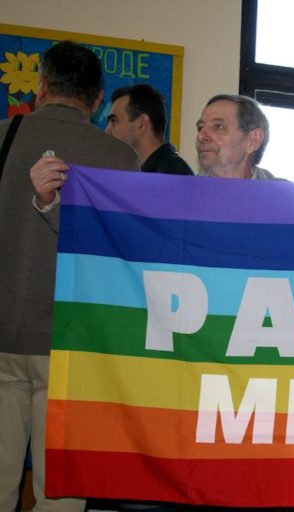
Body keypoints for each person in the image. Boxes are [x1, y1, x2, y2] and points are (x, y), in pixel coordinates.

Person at [0, 40, 140, 512]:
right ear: (97, 100)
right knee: (60, 493)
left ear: (41, 86)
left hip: (3, 333)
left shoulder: (3, 137)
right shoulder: (120, 158)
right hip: (75, 347)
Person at [106, 84, 194, 175]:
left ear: (141, 124)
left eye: (114, 121)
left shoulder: (172, 171)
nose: (106, 131)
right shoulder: (151, 171)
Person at [196, 94, 275, 180]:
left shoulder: (280, 188)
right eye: (200, 127)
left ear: (254, 140)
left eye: (218, 126)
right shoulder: (186, 187)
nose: (201, 136)